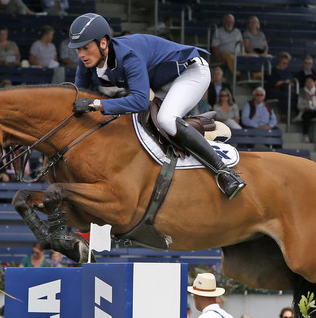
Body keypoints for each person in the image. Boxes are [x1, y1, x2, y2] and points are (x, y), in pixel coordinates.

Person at [69, 13, 245, 200]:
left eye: (86, 48)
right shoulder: (86, 62)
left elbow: (140, 101)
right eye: (78, 49)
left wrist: (96, 104)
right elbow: (79, 97)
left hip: (191, 72)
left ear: (103, 43)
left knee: (166, 119)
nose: (81, 55)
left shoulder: (128, 56)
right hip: (161, 84)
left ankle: (225, 173)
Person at [296, 75, 316, 143]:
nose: (309, 83)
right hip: (307, 110)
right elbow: (299, 105)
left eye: (311, 81)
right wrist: (306, 107)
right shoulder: (301, 91)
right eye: (307, 81)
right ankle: (305, 135)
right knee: (306, 116)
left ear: (314, 82)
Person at [265, 51, 295, 117]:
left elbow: (292, 82)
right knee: (285, 96)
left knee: (295, 96)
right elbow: (273, 83)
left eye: (287, 64)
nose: (285, 65)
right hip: (275, 90)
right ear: (279, 62)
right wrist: (284, 82)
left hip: (287, 89)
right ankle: (284, 114)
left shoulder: (287, 72)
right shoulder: (273, 71)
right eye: (284, 63)